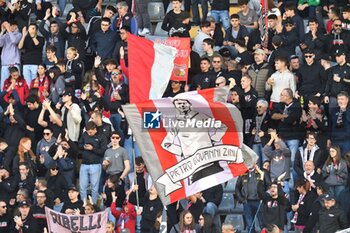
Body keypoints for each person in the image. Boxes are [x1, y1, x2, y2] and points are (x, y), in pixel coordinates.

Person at [78, 121, 107, 203]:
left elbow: (103, 151)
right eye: (87, 132)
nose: (89, 134)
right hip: (84, 164)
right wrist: (84, 146)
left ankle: (93, 205)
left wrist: (92, 148)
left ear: (95, 129)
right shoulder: (84, 135)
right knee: (83, 187)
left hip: (95, 164)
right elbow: (79, 145)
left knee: (94, 188)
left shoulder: (102, 137)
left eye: (90, 132)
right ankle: (83, 205)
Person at [0, 20, 22, 90]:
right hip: (5, 64)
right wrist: (2, 31)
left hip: (14, 63)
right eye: (9, 26)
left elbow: (14, 41)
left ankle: (16, 100)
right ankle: (3, 100)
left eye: (11, 25)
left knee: (15, 84)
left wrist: (9, 30)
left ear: (15, 26)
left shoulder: (19, 34)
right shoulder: (5, 35)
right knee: (4, 84)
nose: (9, 27)